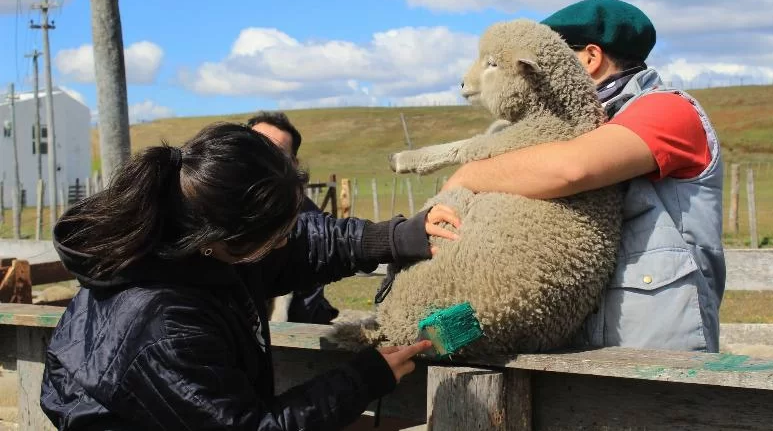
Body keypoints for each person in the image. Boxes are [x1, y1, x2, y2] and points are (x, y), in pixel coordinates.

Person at [40, 122, 461, 430]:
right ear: (226, 240)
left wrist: (392, 236)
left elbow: (306, 245)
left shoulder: (188, 242)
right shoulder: (166, 326)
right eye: (277, 235)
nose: (285, 243)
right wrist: (363, 378)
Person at [442, 0, 725, 352]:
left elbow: (571, 168)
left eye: (549, 55)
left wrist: (467, 176)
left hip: (651, 360)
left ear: (590, 58)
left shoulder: (667, 110)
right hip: (567, 351)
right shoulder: (569, 126)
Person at [247, 111, 339, 325]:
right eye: (255, 147)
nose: (263, 159)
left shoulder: (311, 220)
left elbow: (306, 304)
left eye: (276, 153)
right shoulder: (213, 203)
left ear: (293, 164)